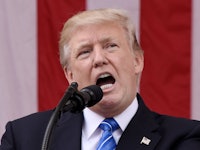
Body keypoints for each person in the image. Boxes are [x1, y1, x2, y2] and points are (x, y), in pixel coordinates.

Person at [1, 8, 200, 150]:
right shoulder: (24, 137)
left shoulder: (184, 137)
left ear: (137, 61)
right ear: (70, 75)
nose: (99, 59)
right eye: (85, 52)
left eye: (110, 46)